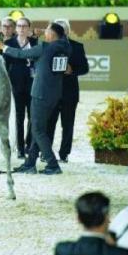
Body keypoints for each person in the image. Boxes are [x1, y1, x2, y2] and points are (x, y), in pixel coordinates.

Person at [1, 22, 71, 175]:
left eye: (47, 31)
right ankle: (30, 163)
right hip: (54, 94)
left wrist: (4, 47)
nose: (44, 33)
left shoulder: (45, 47)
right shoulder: (65, 47)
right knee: (38, 129)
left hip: (41, 93)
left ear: (52, 34)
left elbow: (21, 54)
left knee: (37, 130)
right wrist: (40, 36)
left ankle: (52, 164)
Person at [45, 19, 88, 163]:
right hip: (51, 92)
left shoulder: (77, 46)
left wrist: (72, 70)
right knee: (49, 123)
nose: (61, 32)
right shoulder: (47, 47)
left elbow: (85, 68)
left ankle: (64, 154)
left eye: (63, 29)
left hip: (70, 93)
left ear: (68, 31)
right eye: (58, 29)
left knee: (68, 125)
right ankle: (47, 152)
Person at [4, 17, 37, 159]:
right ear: (16, 28)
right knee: (19, 117)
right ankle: (20, 149)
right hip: (15, 84)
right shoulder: (8, 44)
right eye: (19, 26)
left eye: (24, 26)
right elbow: (4, 66)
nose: (22, 28)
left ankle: (30, 145)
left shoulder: (35, 43)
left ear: (29, 28)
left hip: (32, 84)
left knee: (32, 116)